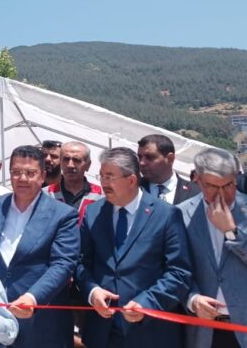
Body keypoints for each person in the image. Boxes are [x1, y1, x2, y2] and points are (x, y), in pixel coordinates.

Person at [75, 147, 191, 348]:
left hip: (151, 331)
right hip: (102, 333)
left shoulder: (166, 215)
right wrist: (92, 292)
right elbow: (80, 263)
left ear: (131, 180)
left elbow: (179, 272)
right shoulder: (93, 213)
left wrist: (147, 303)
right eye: (101, 176)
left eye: (110, 177)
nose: (103, 183)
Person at [179, 148, 247, 348]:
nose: (222, 193)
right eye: (212, 186)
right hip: (206, 333)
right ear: (198, 180)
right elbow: (176, 270)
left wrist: (232, 233)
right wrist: (192, 299)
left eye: (228, 185)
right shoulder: (179, 215)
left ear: (237, 177)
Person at [0, 145, 79, 348]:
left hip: (41, 322)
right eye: (16, 172)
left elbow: (63, 264)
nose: (22, 178)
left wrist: (33, 297)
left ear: (42, 176)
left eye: (30, 173)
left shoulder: (63, 215)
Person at [44, 141, 103, 220]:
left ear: (88, 165)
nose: (70, 165)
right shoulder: (45, 194)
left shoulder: (101, 196)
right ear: (60, 162)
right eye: (66, 159)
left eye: (76, 160)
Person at [137, 134, 200, 205]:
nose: (142, 163)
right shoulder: (132, 188)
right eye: (140, 157)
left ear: (170, 158)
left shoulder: (196, 194)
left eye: (149, 157)